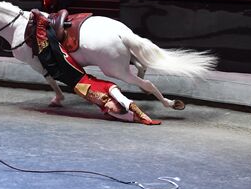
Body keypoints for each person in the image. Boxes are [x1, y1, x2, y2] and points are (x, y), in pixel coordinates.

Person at [29, 9, 160, 125]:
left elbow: (119, 111)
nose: (111, 107)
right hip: (78, 78)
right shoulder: (109, 88)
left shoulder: (106, 108)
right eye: (113, 107)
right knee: (55, 54)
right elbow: (127, 102)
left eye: (111, 109)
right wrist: (144, 118)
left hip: (72, 81)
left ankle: (41, 27)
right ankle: (41, 24)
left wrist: (112, 111)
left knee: (49, 59)